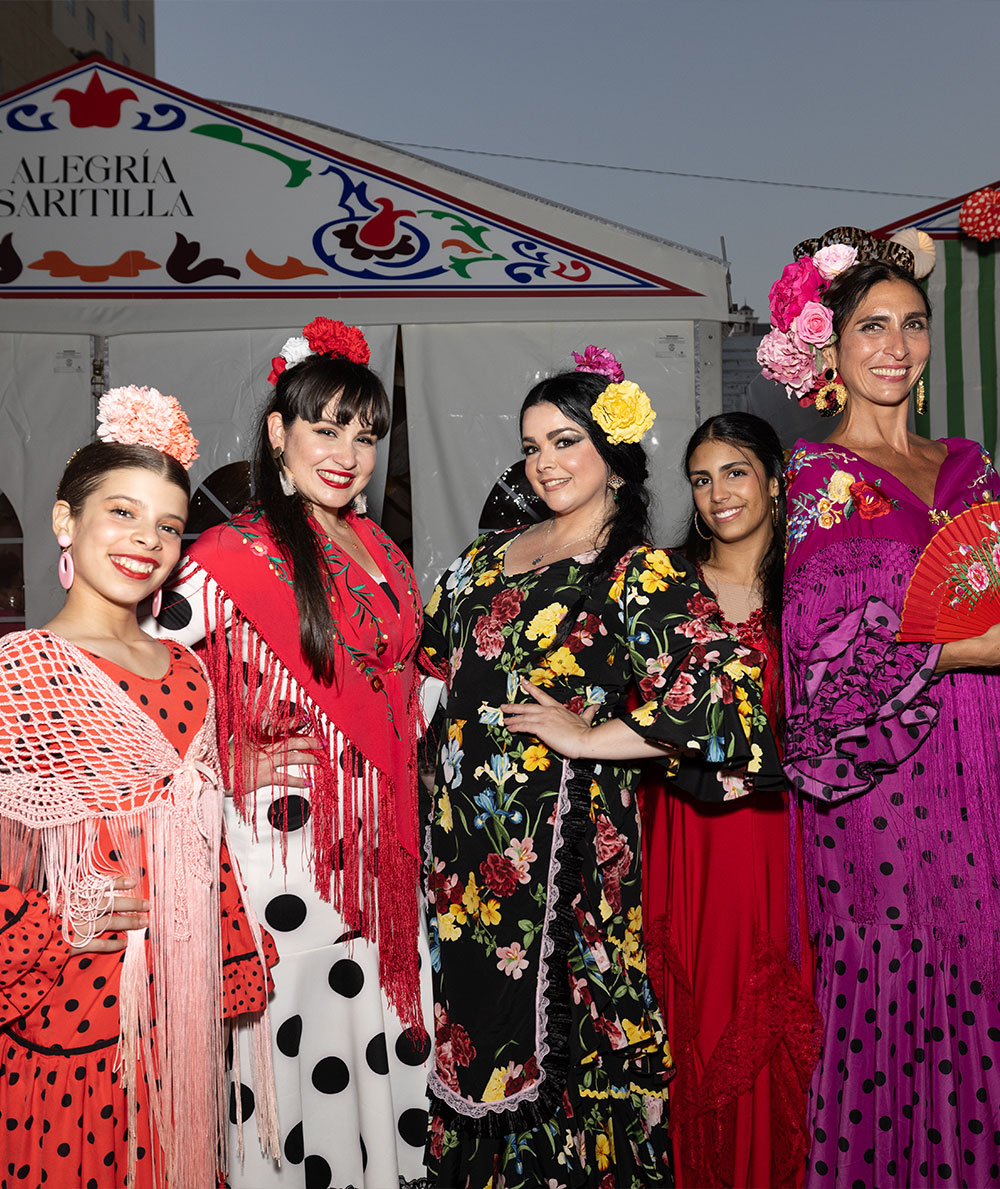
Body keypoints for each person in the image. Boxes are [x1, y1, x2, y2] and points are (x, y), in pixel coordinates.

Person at [420, 350, 785, 1189]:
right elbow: (426, 669)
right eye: (532, 444)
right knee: (472, 1042)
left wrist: (589, 738)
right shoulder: (486, 557)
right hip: (464, 859)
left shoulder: (632, 569)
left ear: (614, 460)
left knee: (563, 1053)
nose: (545, 460)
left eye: (565, 440)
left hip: (565, 857)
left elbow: (728, 699)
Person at [153, 318, 433, 1189]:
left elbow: (404, 685)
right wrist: (222, 759)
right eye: (326, 426)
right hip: (285, 865)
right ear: (279, 429)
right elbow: (140, 679)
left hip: (384, 850)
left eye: (364, 431)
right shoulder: (227, 559)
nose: (347, 451)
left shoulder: (379, 545)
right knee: (301, 1064)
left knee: (384, 1056)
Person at [761, 227, 1000, 1188]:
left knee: (984, 979)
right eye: (871, 326)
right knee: (899, 996)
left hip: (984, 764)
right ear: (831, 346)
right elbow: (824, 679)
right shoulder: (819, 483)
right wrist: (973, 645)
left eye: (911, 323)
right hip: (883, 793)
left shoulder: (973, 467)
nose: (895, 346)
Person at [0, 385, 276, 1188]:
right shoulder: (19, 674)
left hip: (177, 1015)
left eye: (166, 525)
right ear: (65, 521)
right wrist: (53, 923)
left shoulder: (189, 669)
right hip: (67, 1017)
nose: (145, 540)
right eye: (121, 513)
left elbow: (199, 831)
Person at [641, 412, 820, 1189]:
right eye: (702, 478)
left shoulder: (812, 584)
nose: (717, 493)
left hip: (793, 837)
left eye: (736, 472)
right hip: (693, 833)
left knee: (787, 1006)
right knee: (704, 1011)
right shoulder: (665, 583)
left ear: (775, 481)